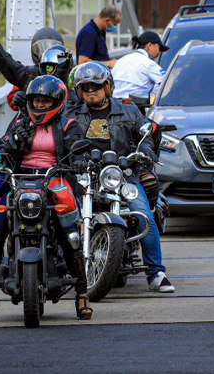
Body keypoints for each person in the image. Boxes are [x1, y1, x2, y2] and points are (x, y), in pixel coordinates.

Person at [0, 76, 93, 322]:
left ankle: (81, 292)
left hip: (54, 180)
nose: (39, 106)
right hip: (20, 181)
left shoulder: (69, 124)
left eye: (45, 101)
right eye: (36, 101)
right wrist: (16, 139)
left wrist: (79, 161)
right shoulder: (20, 120)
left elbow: (76, 148)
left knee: (70, 235)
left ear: (58, 102)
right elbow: (5, 151)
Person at [69, 61, 175, 294]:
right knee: (63, 213)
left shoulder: (128, 111)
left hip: (122, 174)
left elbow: (146, 130)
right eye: (85, 87)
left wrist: (145, 149)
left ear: (107, 87)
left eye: (96, 86)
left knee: (143, 215)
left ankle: (156, 273)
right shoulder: (71, 113)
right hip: (84, 174)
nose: (90, 91)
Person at [0, 25, 73, 109]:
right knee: (10, 132)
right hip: (32, 126)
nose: (46, 53)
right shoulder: (30, 74)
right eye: (40, 49)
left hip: (61, 128)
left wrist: (63, 70)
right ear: (35, 53)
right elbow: (7, 64)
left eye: (53, 49)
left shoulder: (72, 76)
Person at [111, 31, 167, 101]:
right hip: (134, 108)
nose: (160, 52)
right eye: (160, 48)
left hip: (114, 106)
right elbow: (166, 84)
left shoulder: (121, 61)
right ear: (150, 45)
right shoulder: (149, 64)